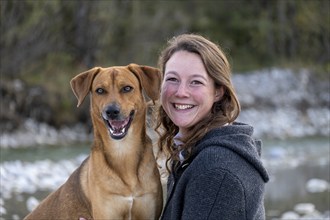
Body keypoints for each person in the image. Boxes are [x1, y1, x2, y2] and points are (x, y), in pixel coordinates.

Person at [156, 33, 269, 220]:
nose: (181, 92)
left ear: (218, 91)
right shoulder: (194, 153)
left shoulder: (216, 170)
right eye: (172, 79)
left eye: (196, 82)